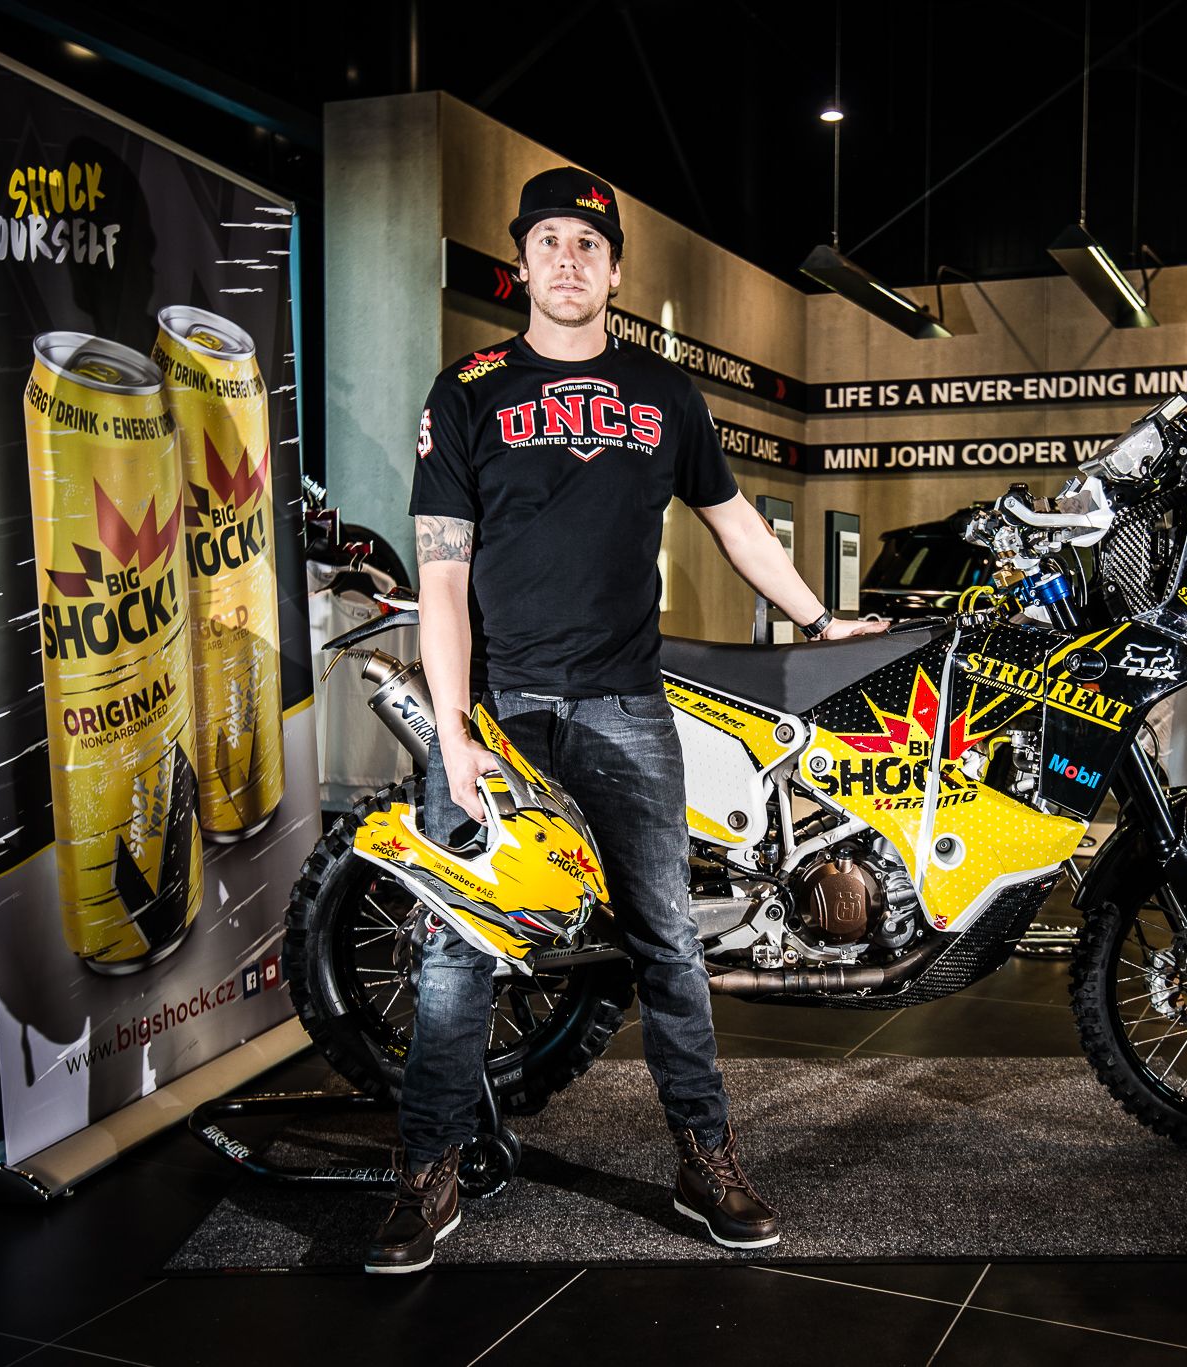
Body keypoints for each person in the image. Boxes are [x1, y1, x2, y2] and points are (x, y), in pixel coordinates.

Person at [366, 166, 886, 1274]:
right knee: (457, 947)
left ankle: (705, 1156)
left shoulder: (662, 391)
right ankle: (426, 1167)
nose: (567, 260)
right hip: (497, 712)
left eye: (587, 245)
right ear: (521, 263)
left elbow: (735, 523)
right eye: (548, 242)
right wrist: (452, 732)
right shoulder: (467, 390)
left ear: (613, 270)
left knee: (667, 943)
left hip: (626, 707)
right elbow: (441, 577)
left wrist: (818, 617)